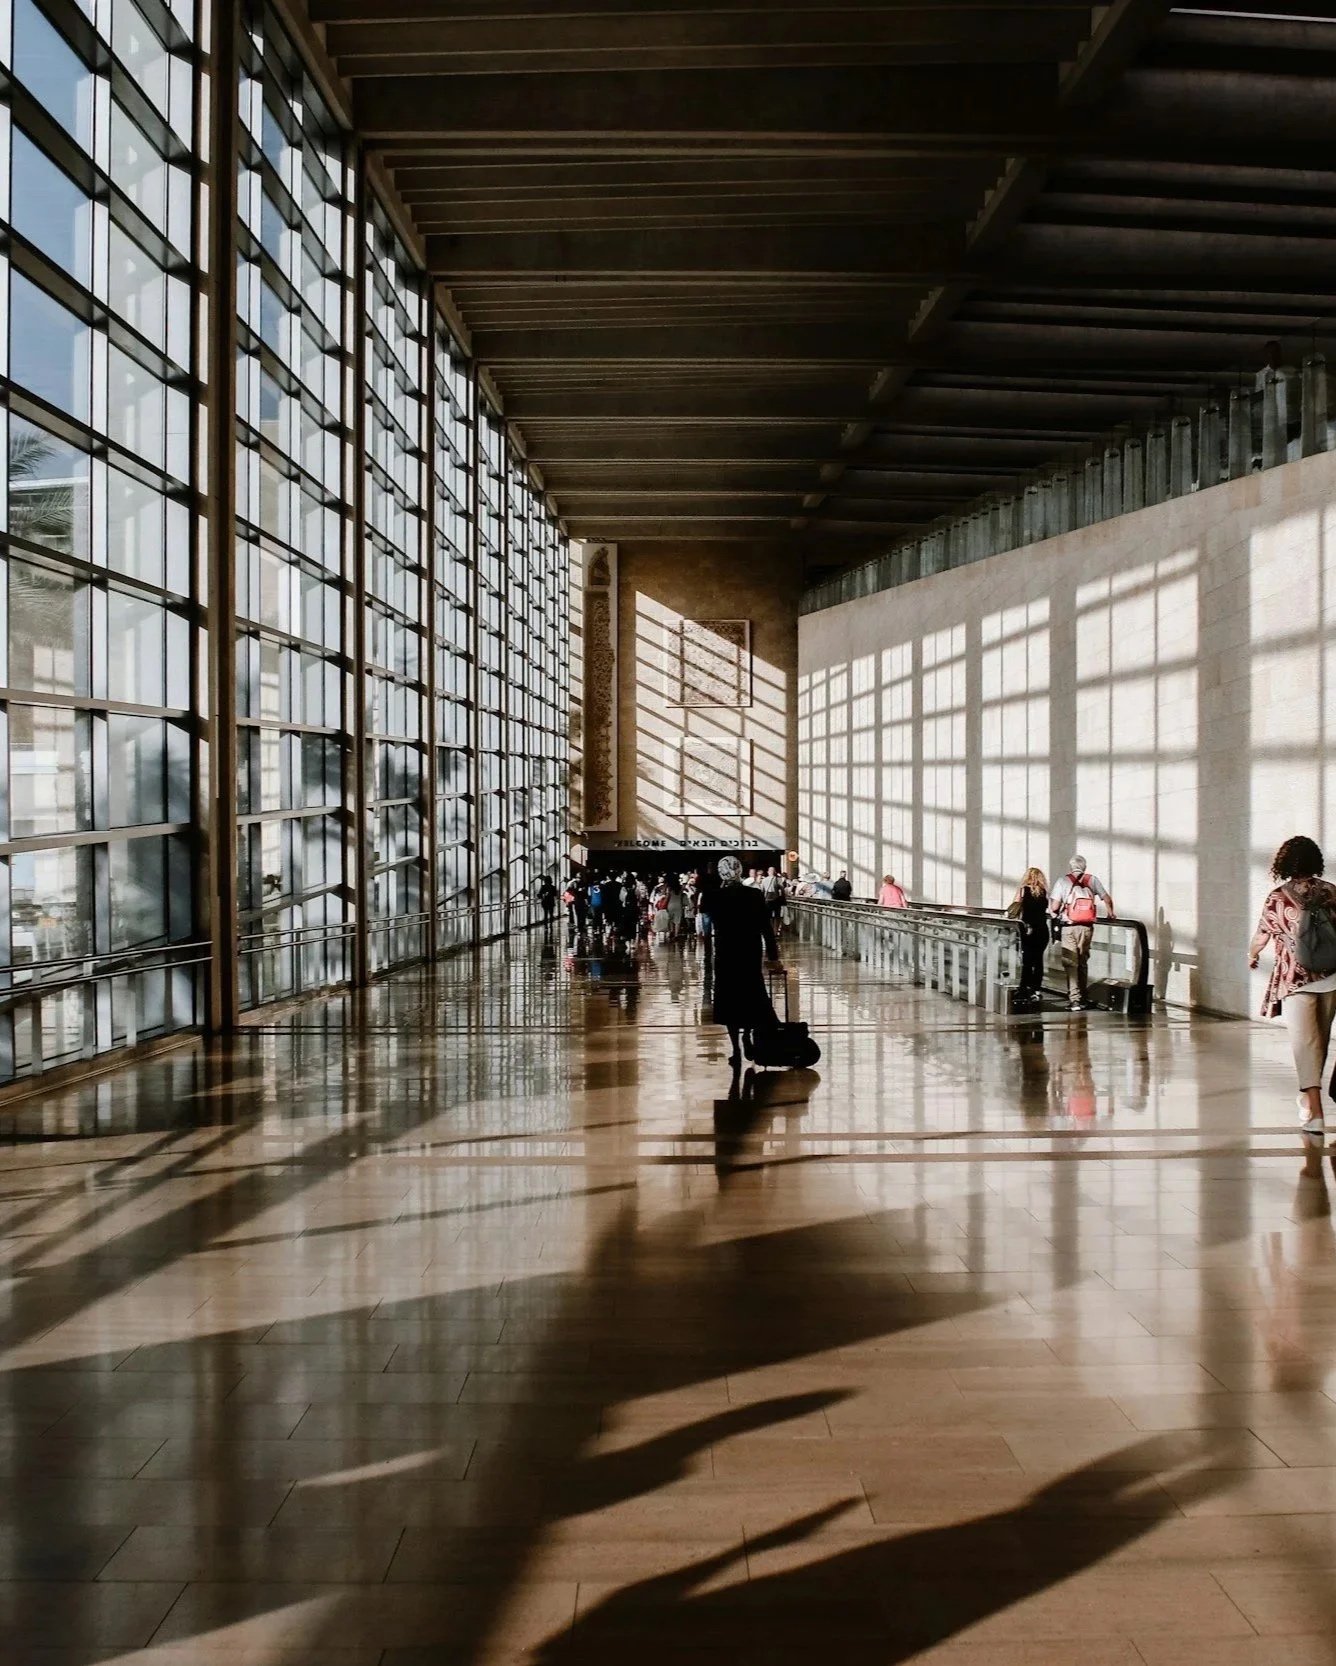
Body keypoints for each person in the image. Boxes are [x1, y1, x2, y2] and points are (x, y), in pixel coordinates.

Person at [1249, 835, 1336, 1137]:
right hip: (1331, 978)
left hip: (1295, 980)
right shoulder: (1330, 891)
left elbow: (1262, 934)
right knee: (1319, 1044)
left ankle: (1316, 1112)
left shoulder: (1277, 897)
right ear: (1316, 861)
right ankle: (1309, 1101)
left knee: (1305, 1044)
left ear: (1284, 863)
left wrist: (1252, 954)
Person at [708, 854, 782, 1068]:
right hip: (749, 952)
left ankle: (735, 1049)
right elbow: (766, 928)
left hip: (726, 954)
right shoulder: (754, 895)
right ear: (740, 870)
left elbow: (711, 924)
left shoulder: (715, 897)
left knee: (729, 999)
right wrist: (773, 956)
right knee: (751, 995)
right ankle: (747, 1035)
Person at [1048, 855, 1115, 1011]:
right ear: (1084, 867)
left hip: (1069, 927)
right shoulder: (1092, 880)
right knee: (1082, 962)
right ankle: (1084, 997)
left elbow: (1055, 906)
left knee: (1071, 963)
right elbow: (1106, 898)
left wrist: (1053, 910)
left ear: (1071, 867)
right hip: (1087, 927)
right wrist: (1111, 913)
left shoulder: (1063, 881)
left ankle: (1075, 1000)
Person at [1008, 866, 1049, 1007]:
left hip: (1028, 930)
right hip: (1042, 930)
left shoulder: (1023, 890)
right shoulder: (1043, 892)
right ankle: (1036, 989)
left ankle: (1023, 988)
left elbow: (1013, 909)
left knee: (1027, 961)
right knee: (1038, 961)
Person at [761, 866, 786, 934]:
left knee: (768, 916)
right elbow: (782, 890)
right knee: (777, 916)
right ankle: (775, 931)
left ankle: (770, 930)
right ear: (775, 872)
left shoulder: (764, 880)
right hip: (776, 899)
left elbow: (762, 891)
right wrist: (783, 898)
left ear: (768, 872)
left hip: (767, 899)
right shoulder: (778, 879)